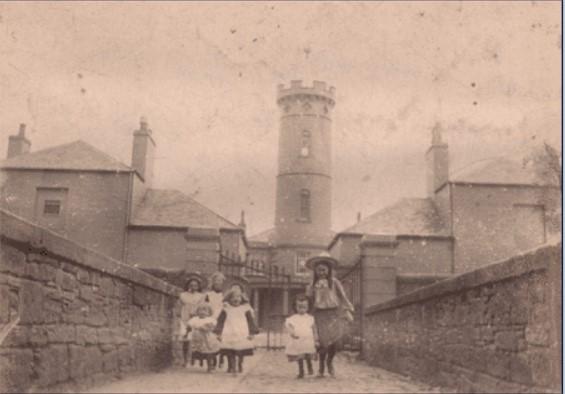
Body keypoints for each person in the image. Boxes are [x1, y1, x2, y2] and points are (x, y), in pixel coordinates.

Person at [305, 252, 354, 378]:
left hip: (334, 313)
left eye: (324, 270)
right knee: (322, 342)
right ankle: (321, 365)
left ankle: (329, 362)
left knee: (335, 342)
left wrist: (347, 309)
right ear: (315, 271)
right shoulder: (312, 285)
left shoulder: (335, 282)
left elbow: (342, 297)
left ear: (328, 270)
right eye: (319, 270)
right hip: (319, 315)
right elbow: (309, 300)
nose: (321, 273)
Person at [214, 287, 259, 375]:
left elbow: (250, 321)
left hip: (242, 332)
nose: (236, 299)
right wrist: (218, 333)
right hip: (228, 332)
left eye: (238, 297)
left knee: (240, 350)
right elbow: (220, 321)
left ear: (242, 298)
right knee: (230, 350)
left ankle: (239, 363)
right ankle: (231, 366)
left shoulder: (245, 309)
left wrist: (252, 333)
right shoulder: (226, 308)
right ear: (229, 299)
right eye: (233, 297)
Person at [285, 294, 318, 379]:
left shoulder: (310, 318)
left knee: (307, 354)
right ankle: (301, 371)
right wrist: (292, 333)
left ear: (308, 307)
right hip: (298, 340)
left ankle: (309, 366)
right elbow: (290, 326)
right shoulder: (293, 318)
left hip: (308, 340)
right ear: (295, 307)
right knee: (299, 355)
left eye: (304, 307)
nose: (302, 309)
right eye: (299, 307)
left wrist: (316, 339)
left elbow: (314, 328)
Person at [178, 274, 207, 368]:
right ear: (188, 285)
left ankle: (197, 359)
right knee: (185, 340)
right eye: (191, 285)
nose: (193, 287)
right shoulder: (183, 295)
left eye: (195, 285)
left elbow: (202, 307)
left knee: (196, 340)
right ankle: (185, 360)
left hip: (196, 318)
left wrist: (197, 314)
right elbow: (180, 306)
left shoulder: (201, 296)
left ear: (198, 286)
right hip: (185, 318)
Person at [188, 303, 221, 372]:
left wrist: (207, 327)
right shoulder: (195, 319)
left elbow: (212, 327)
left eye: (205, 310)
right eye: (200, 310)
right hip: (198, 339)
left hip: (208, 338)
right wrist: (194, 328)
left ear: (209, 312)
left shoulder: (210, 319)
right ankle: (194, 360)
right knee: (197, 351)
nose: (202, 312)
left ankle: (210, 366)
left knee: (210, 351)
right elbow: (190, 325)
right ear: (197, 312)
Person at [204, 271, 227, 368]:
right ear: (213, 282)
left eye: (220, 281)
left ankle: (221, 358)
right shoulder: (208, 294)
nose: (218, 283)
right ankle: (213, 359)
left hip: (222, 318)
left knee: (221, 338)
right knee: (211, 339)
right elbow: (204, 306)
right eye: (216, 281)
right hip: (211, 317)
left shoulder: (225, 295)